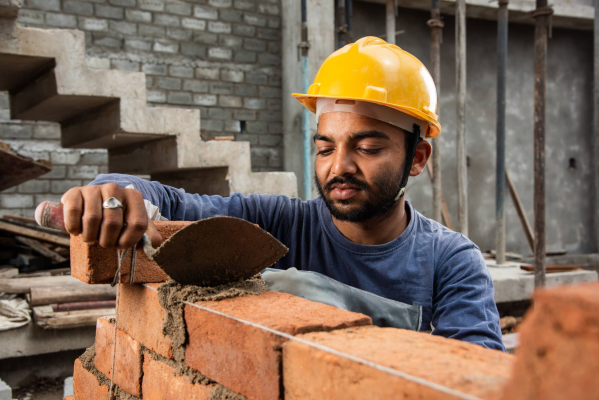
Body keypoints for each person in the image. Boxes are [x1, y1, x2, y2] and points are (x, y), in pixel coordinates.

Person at [52, 37, 505, 351]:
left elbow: (476, 374)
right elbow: (170, 203)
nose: (339, 166)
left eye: (367, 147)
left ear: (418, 157)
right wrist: (112, 195)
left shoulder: (451, 262)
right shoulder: (279, 224)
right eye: (325, 147)